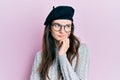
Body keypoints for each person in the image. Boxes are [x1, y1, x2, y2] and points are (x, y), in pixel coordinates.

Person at [30, 6, 89, 80]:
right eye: (57, 25)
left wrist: (62, 55)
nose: (62, 31)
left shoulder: (81, 49)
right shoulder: (40, 56)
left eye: (67, 26)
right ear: (49, 28)